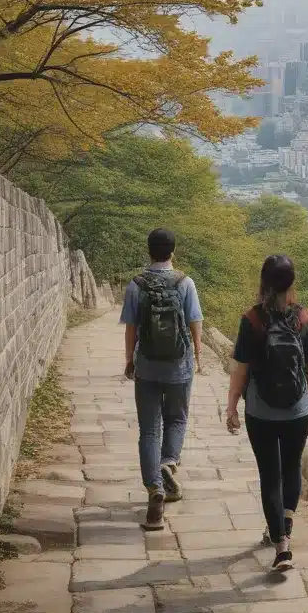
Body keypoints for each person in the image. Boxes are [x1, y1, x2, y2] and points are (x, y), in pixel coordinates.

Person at [225, 254, 308, 572]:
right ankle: (286, 522)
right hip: (298, 409)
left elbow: (240, 371)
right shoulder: (303, 318)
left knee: (270, 475)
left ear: (263, 282)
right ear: (291, 283)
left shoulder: (252, 320)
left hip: (261, 411)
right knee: (291, 466)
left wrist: (231, 407)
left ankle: (281, 545)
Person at [120, 227, 204, 530]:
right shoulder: (185, 283)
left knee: (149, 430)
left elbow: (130, 328)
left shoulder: (136, 285)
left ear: (149, 251)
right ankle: (169, 463)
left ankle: (155, 488)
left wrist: (129, 360)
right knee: (177, 419)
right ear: (173, 251)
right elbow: (195, 320)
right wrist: (197, 354)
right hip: (179, 366)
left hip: (147, 366)